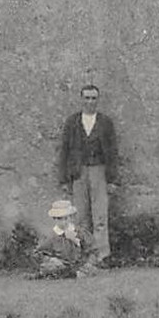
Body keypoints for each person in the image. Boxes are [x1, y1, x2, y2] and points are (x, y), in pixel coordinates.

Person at [58, 84, 118, 266]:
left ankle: (101, 256)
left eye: (93, 98)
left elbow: (113, 152)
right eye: (87, 98)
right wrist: (64, 179)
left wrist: (112, 179)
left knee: (100, 215)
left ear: (98, 100)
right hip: (78, 172)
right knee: (81, 216)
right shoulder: (72, 122)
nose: (90, 102)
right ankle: (83, 254)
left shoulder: (106, 123)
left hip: (99, 170)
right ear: (81, 99)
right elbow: (64, 151)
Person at [32, 199, 94, 279]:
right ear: (55, 219)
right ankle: (67, 274)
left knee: (91, 268)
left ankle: (73, 273)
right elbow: (38, 253)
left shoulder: (79, 232)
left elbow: (91, 249)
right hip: (61, 265)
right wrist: (50, 259)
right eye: (60, 219)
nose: (64, 222)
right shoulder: (51, 236)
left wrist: (88, 262)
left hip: (80, 264)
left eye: (66, 218)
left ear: (71, 218)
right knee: (52, 267)